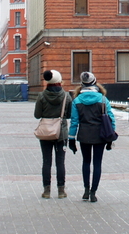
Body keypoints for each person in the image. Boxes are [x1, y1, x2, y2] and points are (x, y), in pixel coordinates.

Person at [68, 71, 116, 203]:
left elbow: (74, 122)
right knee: (97, 163)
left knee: (86, 162)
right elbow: (111, 118)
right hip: (100, 135)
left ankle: (86, 190)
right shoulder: (102, 99)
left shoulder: (77, 101)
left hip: (84, 135)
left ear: (82, 85)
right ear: (95, 83)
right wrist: (111, 137)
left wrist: (71, 139)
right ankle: (94, 192)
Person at [34, 69, 72, 198]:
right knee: (60, 162)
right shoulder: (66, 96)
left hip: (45, 132)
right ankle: (61, 191)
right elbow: (69, 115)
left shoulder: (41, 96)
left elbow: (37, 115)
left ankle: (46, 191)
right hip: (61, 133)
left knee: (46, 161)